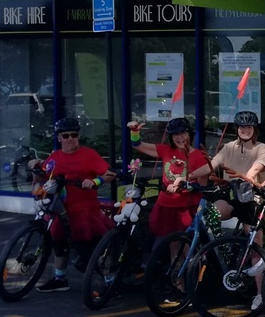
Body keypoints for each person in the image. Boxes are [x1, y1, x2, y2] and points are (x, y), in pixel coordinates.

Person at [30, 118, 115, 293]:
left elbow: (110, 174)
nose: (70, 138)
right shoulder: (55, 156)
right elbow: (43, 172)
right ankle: (59, 279)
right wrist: (35, 168)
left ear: (79, 136)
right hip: (60, 210)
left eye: (74, 135)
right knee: (59, 245)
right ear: (59, 137)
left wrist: (95, 181)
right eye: (66, 135)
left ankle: (110, 282)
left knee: (93, 249)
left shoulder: (89, 154)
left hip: (85, 211)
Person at [208, 110, 265, 309]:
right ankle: (226, 254)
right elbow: (211, 165)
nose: (245, 130)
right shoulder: (228, 147)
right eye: (242, 127)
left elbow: (257, 168)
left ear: (254, 130)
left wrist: (246, 178)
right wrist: (188, 176)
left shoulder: (262, 148)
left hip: (251, 198)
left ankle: (261, 294)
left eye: (249, 127)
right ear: (237, 129)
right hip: (231, 197)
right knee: (209, 215)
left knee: (255, 244)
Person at [127, 117, 211, 240]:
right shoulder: (166, 150)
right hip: (166, 206)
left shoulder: (199, 156)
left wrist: (186, 185)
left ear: (190, 134)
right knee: (172, 245)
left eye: (183, 133)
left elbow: (202, 187)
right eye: (175, 135)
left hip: (187, 207)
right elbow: (138, 145)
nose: (179, 138)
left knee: (186, 245)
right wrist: (134, 132)